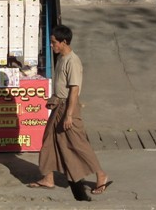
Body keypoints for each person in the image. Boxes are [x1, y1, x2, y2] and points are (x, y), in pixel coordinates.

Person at [28, 24, 111, 201]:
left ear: (64, 42)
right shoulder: (61, 59)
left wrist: (69, 115)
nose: (51, 45)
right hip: (60, 106)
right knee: (49, 141)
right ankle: (48, 178)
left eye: (54, 42)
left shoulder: (73, 61)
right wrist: (54, 99)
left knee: (78, 144)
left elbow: (74, 90)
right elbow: (61, 86)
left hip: (69, 108)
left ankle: (101, 175)